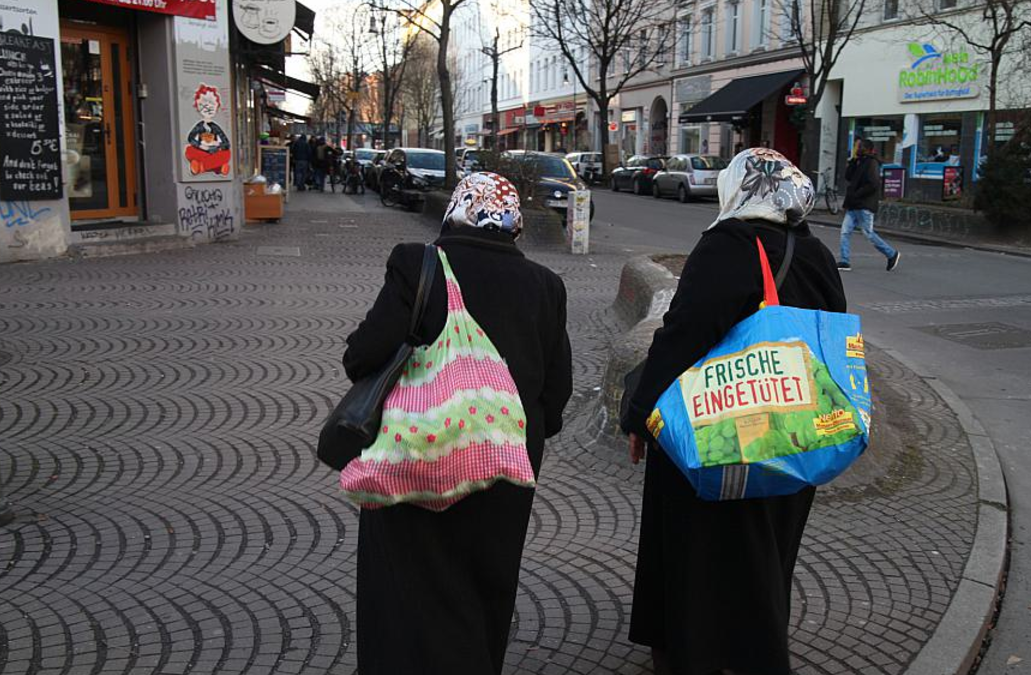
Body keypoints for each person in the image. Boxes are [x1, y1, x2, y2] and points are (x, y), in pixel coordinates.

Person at [620, 148, 845, 675]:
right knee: (767, 549)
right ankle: (752, 648)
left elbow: (681, 337)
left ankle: (696, 652)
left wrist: (639, 415)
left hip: (721, 430)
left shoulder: (728, 245)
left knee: (700, 548)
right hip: (794, 428)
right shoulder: (814, 252)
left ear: (736, 189)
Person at [342, 171, 573, 675]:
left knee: (406, 588)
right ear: (513, 224)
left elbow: (362, 358)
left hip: (418, 455)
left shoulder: (418, 265)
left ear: (455, 211)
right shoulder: (546, 286)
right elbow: (556, 396)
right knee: (485, 588)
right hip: (504, 464)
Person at [838, 138, 900, 272]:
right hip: (854, 205)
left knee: (868, 233)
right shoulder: (859, 161)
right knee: (845, 232)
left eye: (858, 147)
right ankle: (844, 261)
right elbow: (848, 176)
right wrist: (853, 161)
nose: (856, 149)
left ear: (865, 148)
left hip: (865, 205)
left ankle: (891, 254)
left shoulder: (871, 163)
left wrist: (857, 194)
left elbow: (873, 184)